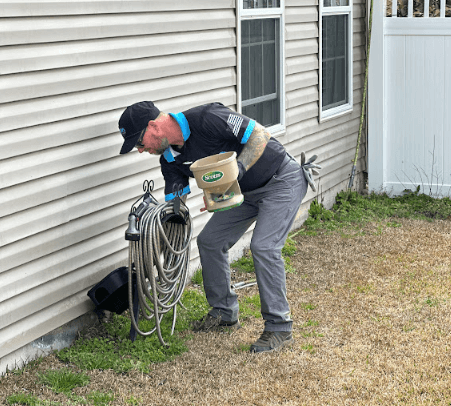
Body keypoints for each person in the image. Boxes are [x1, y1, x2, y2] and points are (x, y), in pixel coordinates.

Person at [118, 101, 313, 353]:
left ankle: (279, 327)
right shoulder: (169, 160)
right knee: (209, 241)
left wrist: (238, 169)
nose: (140, 150)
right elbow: (176, 205)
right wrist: (156, 235)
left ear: (153, 126)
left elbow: (259, 134)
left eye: (139, 142)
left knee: (264, 246)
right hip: (240, 193)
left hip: (281, 179)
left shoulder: (208, 117)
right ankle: (223, 311)